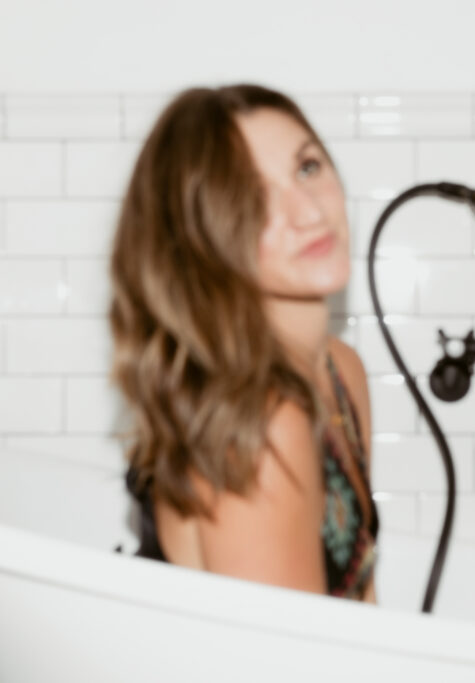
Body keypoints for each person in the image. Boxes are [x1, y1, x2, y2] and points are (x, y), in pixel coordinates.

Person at [108, 83, 378, 603]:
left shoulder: (342, 371)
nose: (309, 213)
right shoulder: (261, 425)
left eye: (307, 167)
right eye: (253, 196)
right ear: (200, 235)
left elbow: (361, 606)